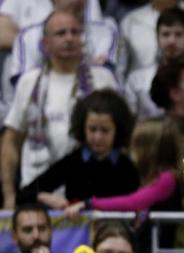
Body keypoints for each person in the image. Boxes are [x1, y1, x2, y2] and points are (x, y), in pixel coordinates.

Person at [1, 10, 118, 210]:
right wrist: (10, 196)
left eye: (75, 32)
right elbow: (11, 142)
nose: (69, 38)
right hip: (37, 193)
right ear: (45, 43)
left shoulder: (102, 79)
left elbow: (120, 140)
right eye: (61, 33)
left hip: (89, 196)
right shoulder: (29, 82)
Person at [20, 89, 141, 209]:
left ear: (118, 130)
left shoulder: (127, 167)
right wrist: (43, 197)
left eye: (105, 130)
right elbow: (24, 194)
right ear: (82, 127)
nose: (97, 137)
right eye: (92, 129)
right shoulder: (72, 162)